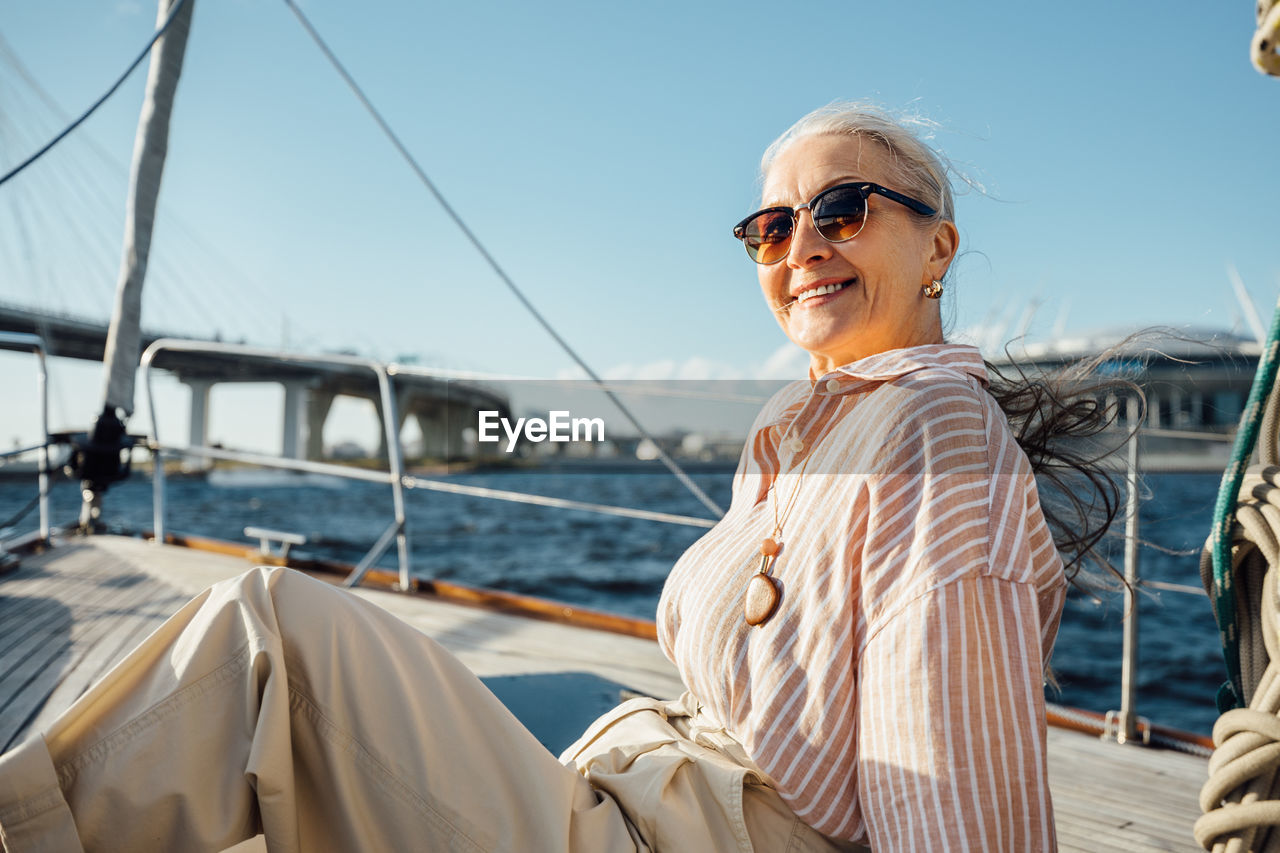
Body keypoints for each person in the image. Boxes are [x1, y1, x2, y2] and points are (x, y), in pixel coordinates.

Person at [0, 103, 1113, 852]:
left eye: (843, 210)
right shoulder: (797, 427)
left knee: (268, 636)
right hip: (635, 784)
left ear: (938, 249)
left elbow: (952, 786)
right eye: (771, 226)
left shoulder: (933, 436)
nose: (800, 245)